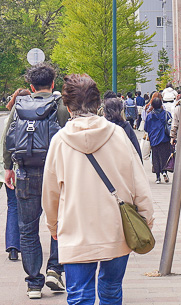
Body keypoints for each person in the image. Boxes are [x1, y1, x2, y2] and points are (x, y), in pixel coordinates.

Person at [42, 74, 154, 305]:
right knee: (111, 290)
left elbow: (50, 193)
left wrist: (53, 226)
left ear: (67, 106)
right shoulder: (118, 135)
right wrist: (146, 219)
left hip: (75, 229)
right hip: (116, 227)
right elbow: (139, 183)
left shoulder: (60, 141)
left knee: (79, 296)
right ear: (97, 103)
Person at [3, 64, 71, 300]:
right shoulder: (61, 106)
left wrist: (8, 168)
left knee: (28, 228)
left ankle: (33, 283)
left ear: (31, 87)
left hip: (26, 173)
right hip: (57, 175)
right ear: (52, 84)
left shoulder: (20, 105)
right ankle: (55, 269)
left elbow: (9, 138)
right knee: (59, 224)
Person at [0, 88, 32, 262]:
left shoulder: (9, 120)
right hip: (30, 167)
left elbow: (6, 144)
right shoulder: (36, 117)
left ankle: (12, 246)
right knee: (31, 207)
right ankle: (29, 244)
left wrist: (7, 167)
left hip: (13, 167)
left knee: (13, 205)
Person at [102, 95, 142, 160]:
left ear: (105, 112)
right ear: (120, 110)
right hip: (124, 161)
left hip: (106, 162)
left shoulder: (101, 127)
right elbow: (136, 147)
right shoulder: (125, 126)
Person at [144, 96, 172, 183]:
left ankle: (158, 177)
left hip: (154, 139)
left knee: (155, 157)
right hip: (165, 138)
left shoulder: (150, 116)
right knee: (164, 157)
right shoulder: (166, 114)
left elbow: (146, 128)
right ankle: (164, 172)